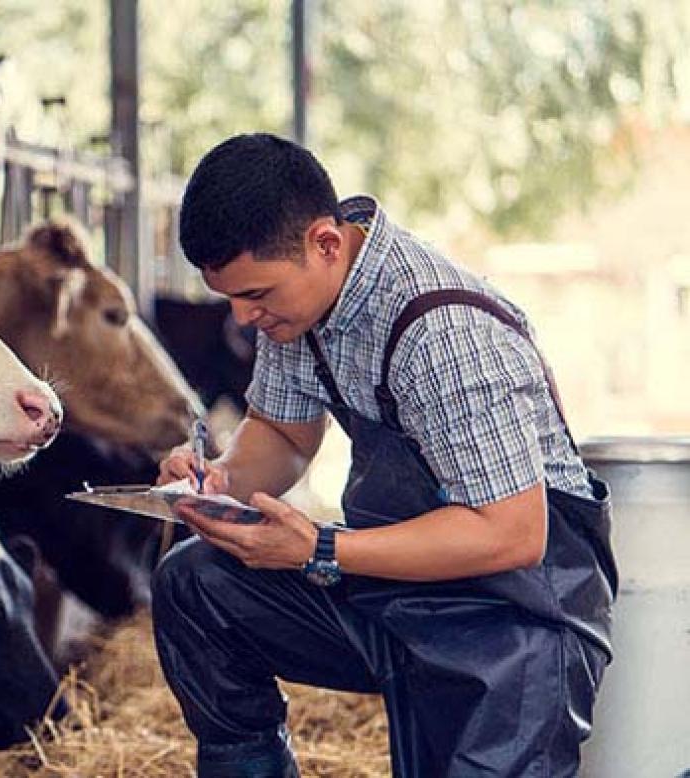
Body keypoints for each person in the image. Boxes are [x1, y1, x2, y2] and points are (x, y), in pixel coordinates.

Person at [152, 133, 617, 777]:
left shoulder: (444, 335)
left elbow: (513, 534)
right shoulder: (301, 306)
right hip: (402, 588)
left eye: (255, 294)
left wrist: (318, 549)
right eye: (230, 296)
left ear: (325, 243)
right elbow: (284, 437)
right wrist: (217, 480)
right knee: (196, 581)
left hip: (516, 619)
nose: (242, 316)